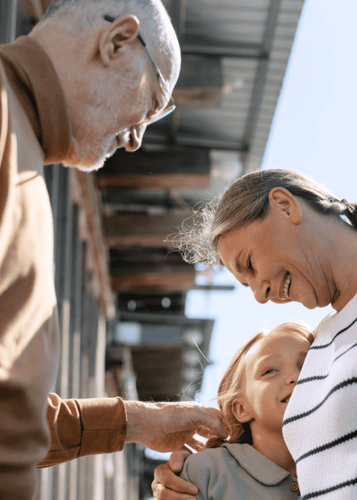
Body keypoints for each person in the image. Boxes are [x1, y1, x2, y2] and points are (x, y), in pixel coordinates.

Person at [0, 1, 227, 499]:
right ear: (118, 42)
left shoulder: (22, 154)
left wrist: (134, 422)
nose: (136, 142)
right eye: (149, 107)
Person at [153, 168, 357, 500]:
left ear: (284, 205)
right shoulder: (320, 345)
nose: (261, 296)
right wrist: (194, 479)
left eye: (248, 263)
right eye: (246, 285)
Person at [180, 321, 313, 499]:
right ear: (241, 409)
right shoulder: (206, 471)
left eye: (307, 366)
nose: (295, 376)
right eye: (271, 370)